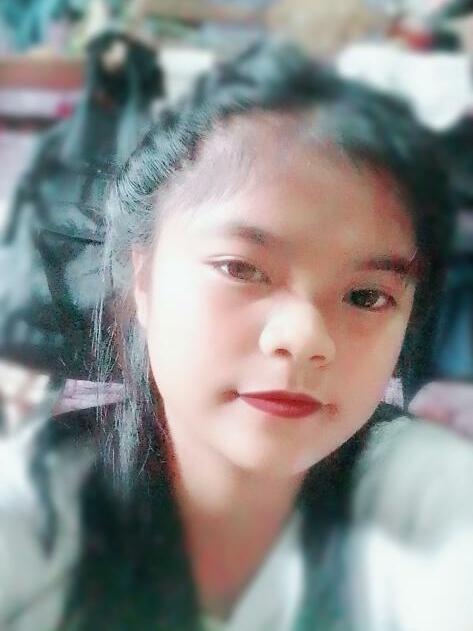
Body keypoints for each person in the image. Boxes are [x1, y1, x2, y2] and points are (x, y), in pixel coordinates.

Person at [1, 40, 472, 631]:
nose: (305, 338)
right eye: (241, 268)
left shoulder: (428, 492)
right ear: (142, 278)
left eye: (366, 296)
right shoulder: (34, 505)